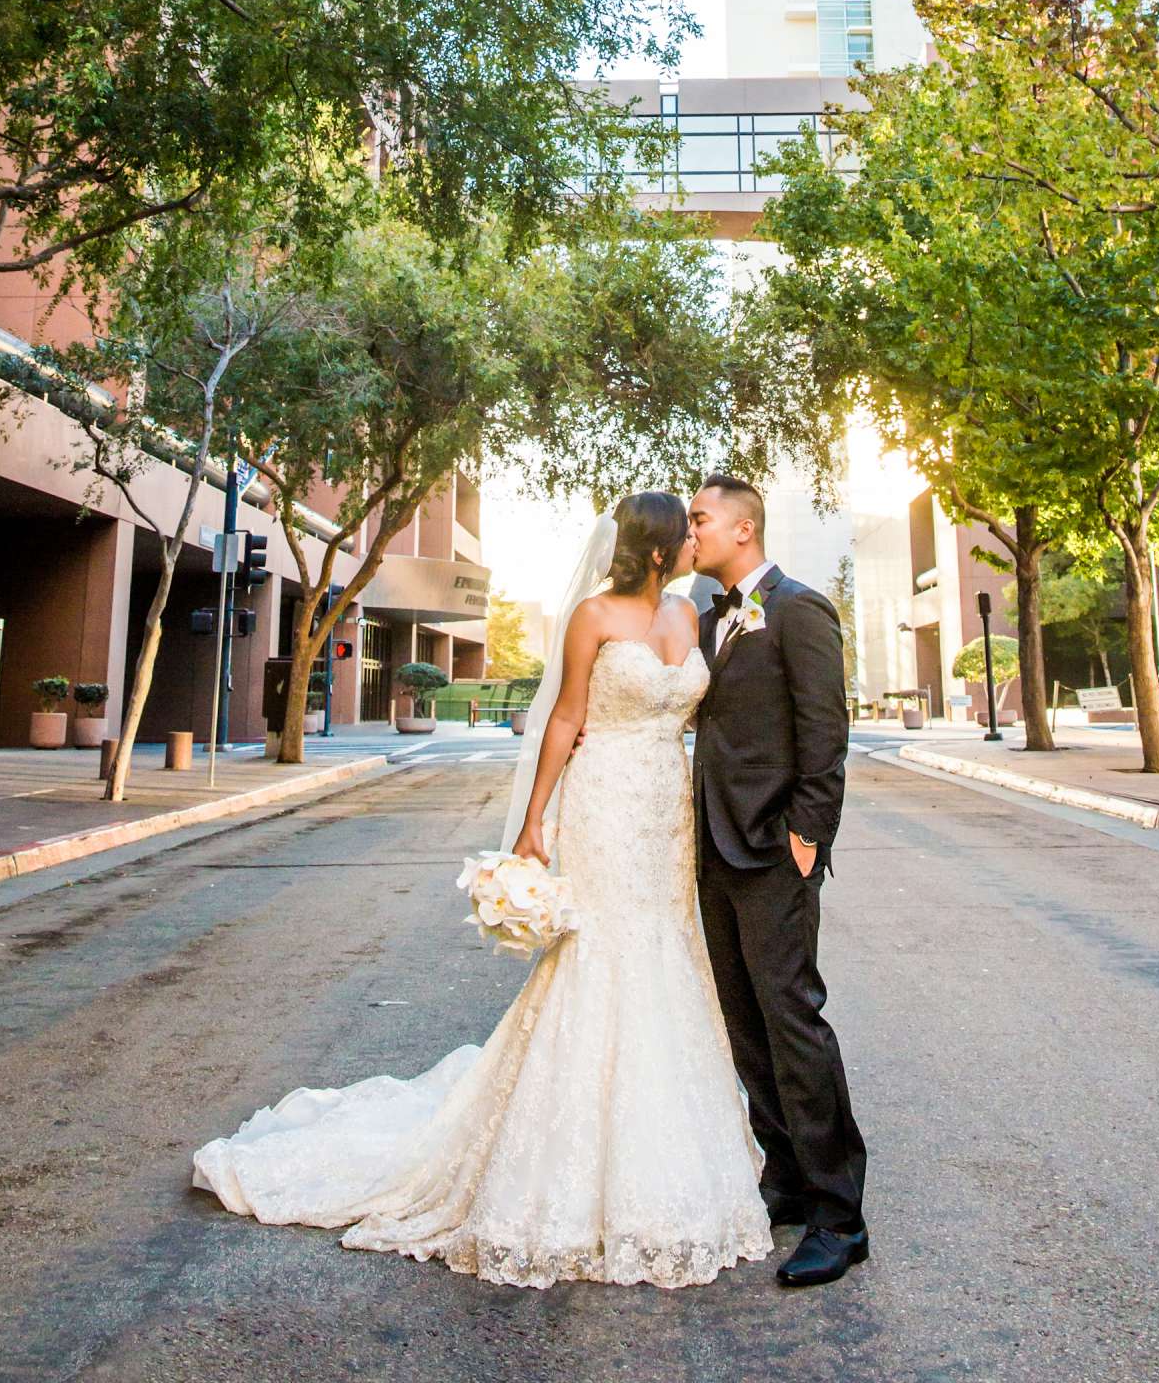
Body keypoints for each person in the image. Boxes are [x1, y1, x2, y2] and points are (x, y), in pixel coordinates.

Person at [191, 492, 771, 1290]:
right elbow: (566, 718)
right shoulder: (594, 616)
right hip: (602, 805)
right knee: (601, 954)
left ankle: (669, 1142)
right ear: (660, 546)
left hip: (666, 813)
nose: (695, 541)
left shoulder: (690, 614)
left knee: (667, 951)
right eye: (687, 532)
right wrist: (535, 822)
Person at [689, 473, 869, 1289]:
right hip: (711, 853)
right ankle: (787, 1179)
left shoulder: (798, 609)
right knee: (745, 1025)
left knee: (793, 1023)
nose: (690, 533)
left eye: (699, 519)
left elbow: (825, 735)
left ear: (743, 529)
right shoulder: (703, 620)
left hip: (773, 851)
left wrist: (807, 838)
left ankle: (839, 1216)